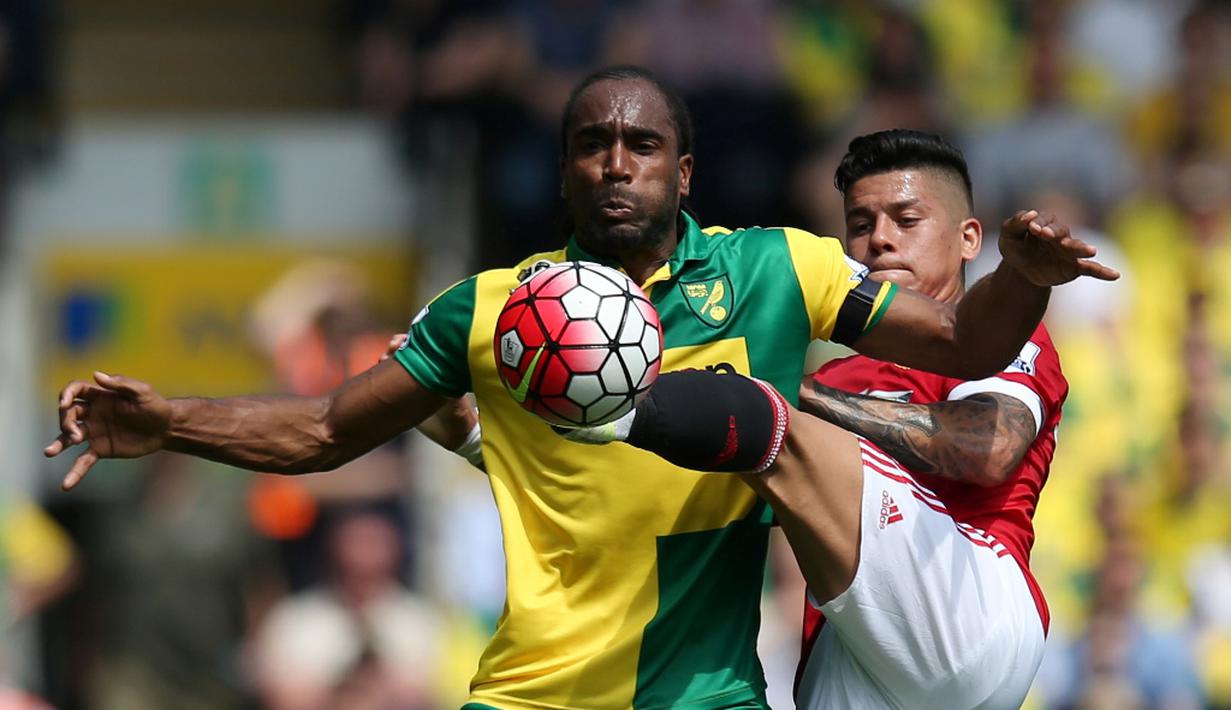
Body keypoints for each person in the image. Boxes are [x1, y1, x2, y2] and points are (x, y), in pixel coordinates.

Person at [44, 66, 1115, 709]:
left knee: (774, 426)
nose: (616, 163)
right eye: (591, 144)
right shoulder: (490, 310)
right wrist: (173, 419)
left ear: (683, 171)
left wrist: (1019, 276)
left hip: (705, 693)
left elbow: (966, 341)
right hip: (529, 690)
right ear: (561, 169)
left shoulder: (780, 271)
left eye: (641, 144)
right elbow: (327, 427)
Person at [562, 129, 1106, 708]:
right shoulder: (831, 380)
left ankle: (616, 405)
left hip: (970, 610)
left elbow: (988, 450)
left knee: (762, 412)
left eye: (907, 220)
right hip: (853, 648)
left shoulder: (1007, 342)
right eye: (862, 224)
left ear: (969, 238)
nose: (880, 242)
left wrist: (795, 396)